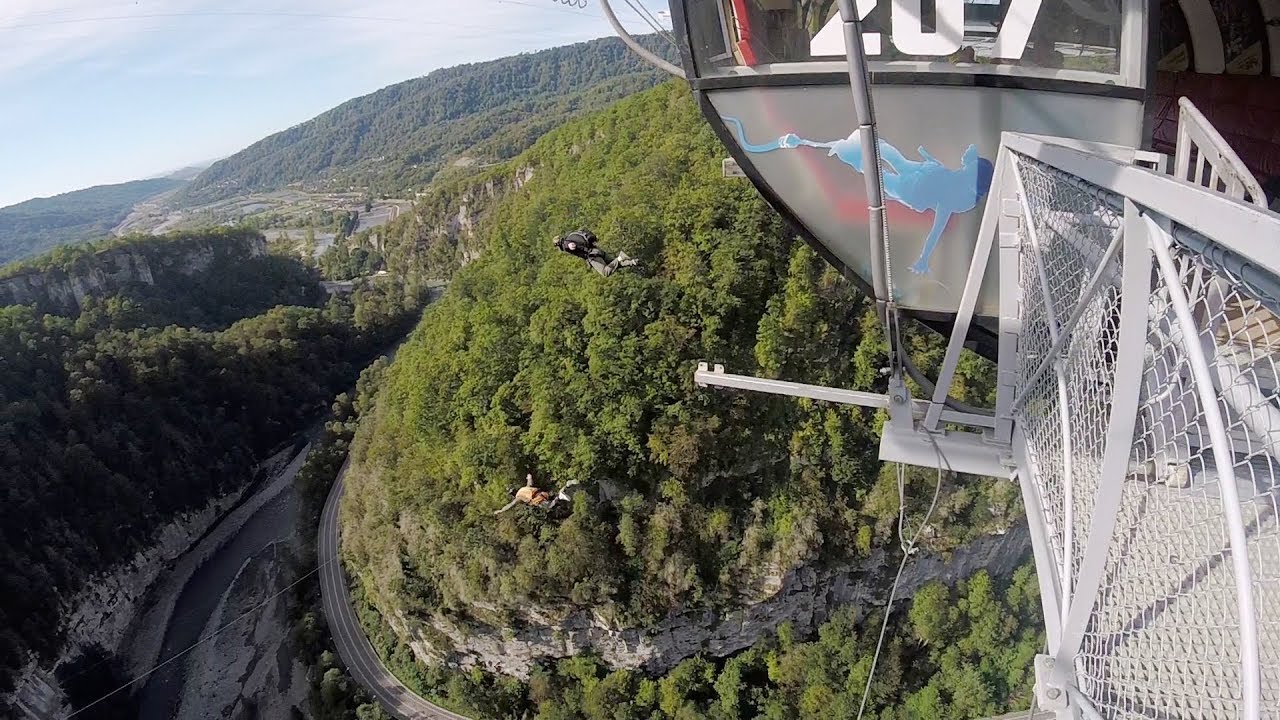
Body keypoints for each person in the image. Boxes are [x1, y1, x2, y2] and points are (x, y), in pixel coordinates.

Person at [554, 228, 640, 277]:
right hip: (597, 250)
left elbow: (572, 245)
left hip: (593, 256)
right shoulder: (570, 236)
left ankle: (621, 257)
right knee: (614, 264)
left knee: (605, 272)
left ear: (558, 244)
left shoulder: (565, 244)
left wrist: (571, 246)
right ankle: (632, 262)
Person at [493, 474, 581, 515]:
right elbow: (530, 482)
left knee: (550, 506)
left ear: (513, 494)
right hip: (542, 493)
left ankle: (560, 496)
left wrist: (501, 510)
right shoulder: (524, 488)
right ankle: (567, 485)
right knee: (556, 494)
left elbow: (510, 505)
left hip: (538, 500)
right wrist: (529, 476)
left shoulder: (518, 497)